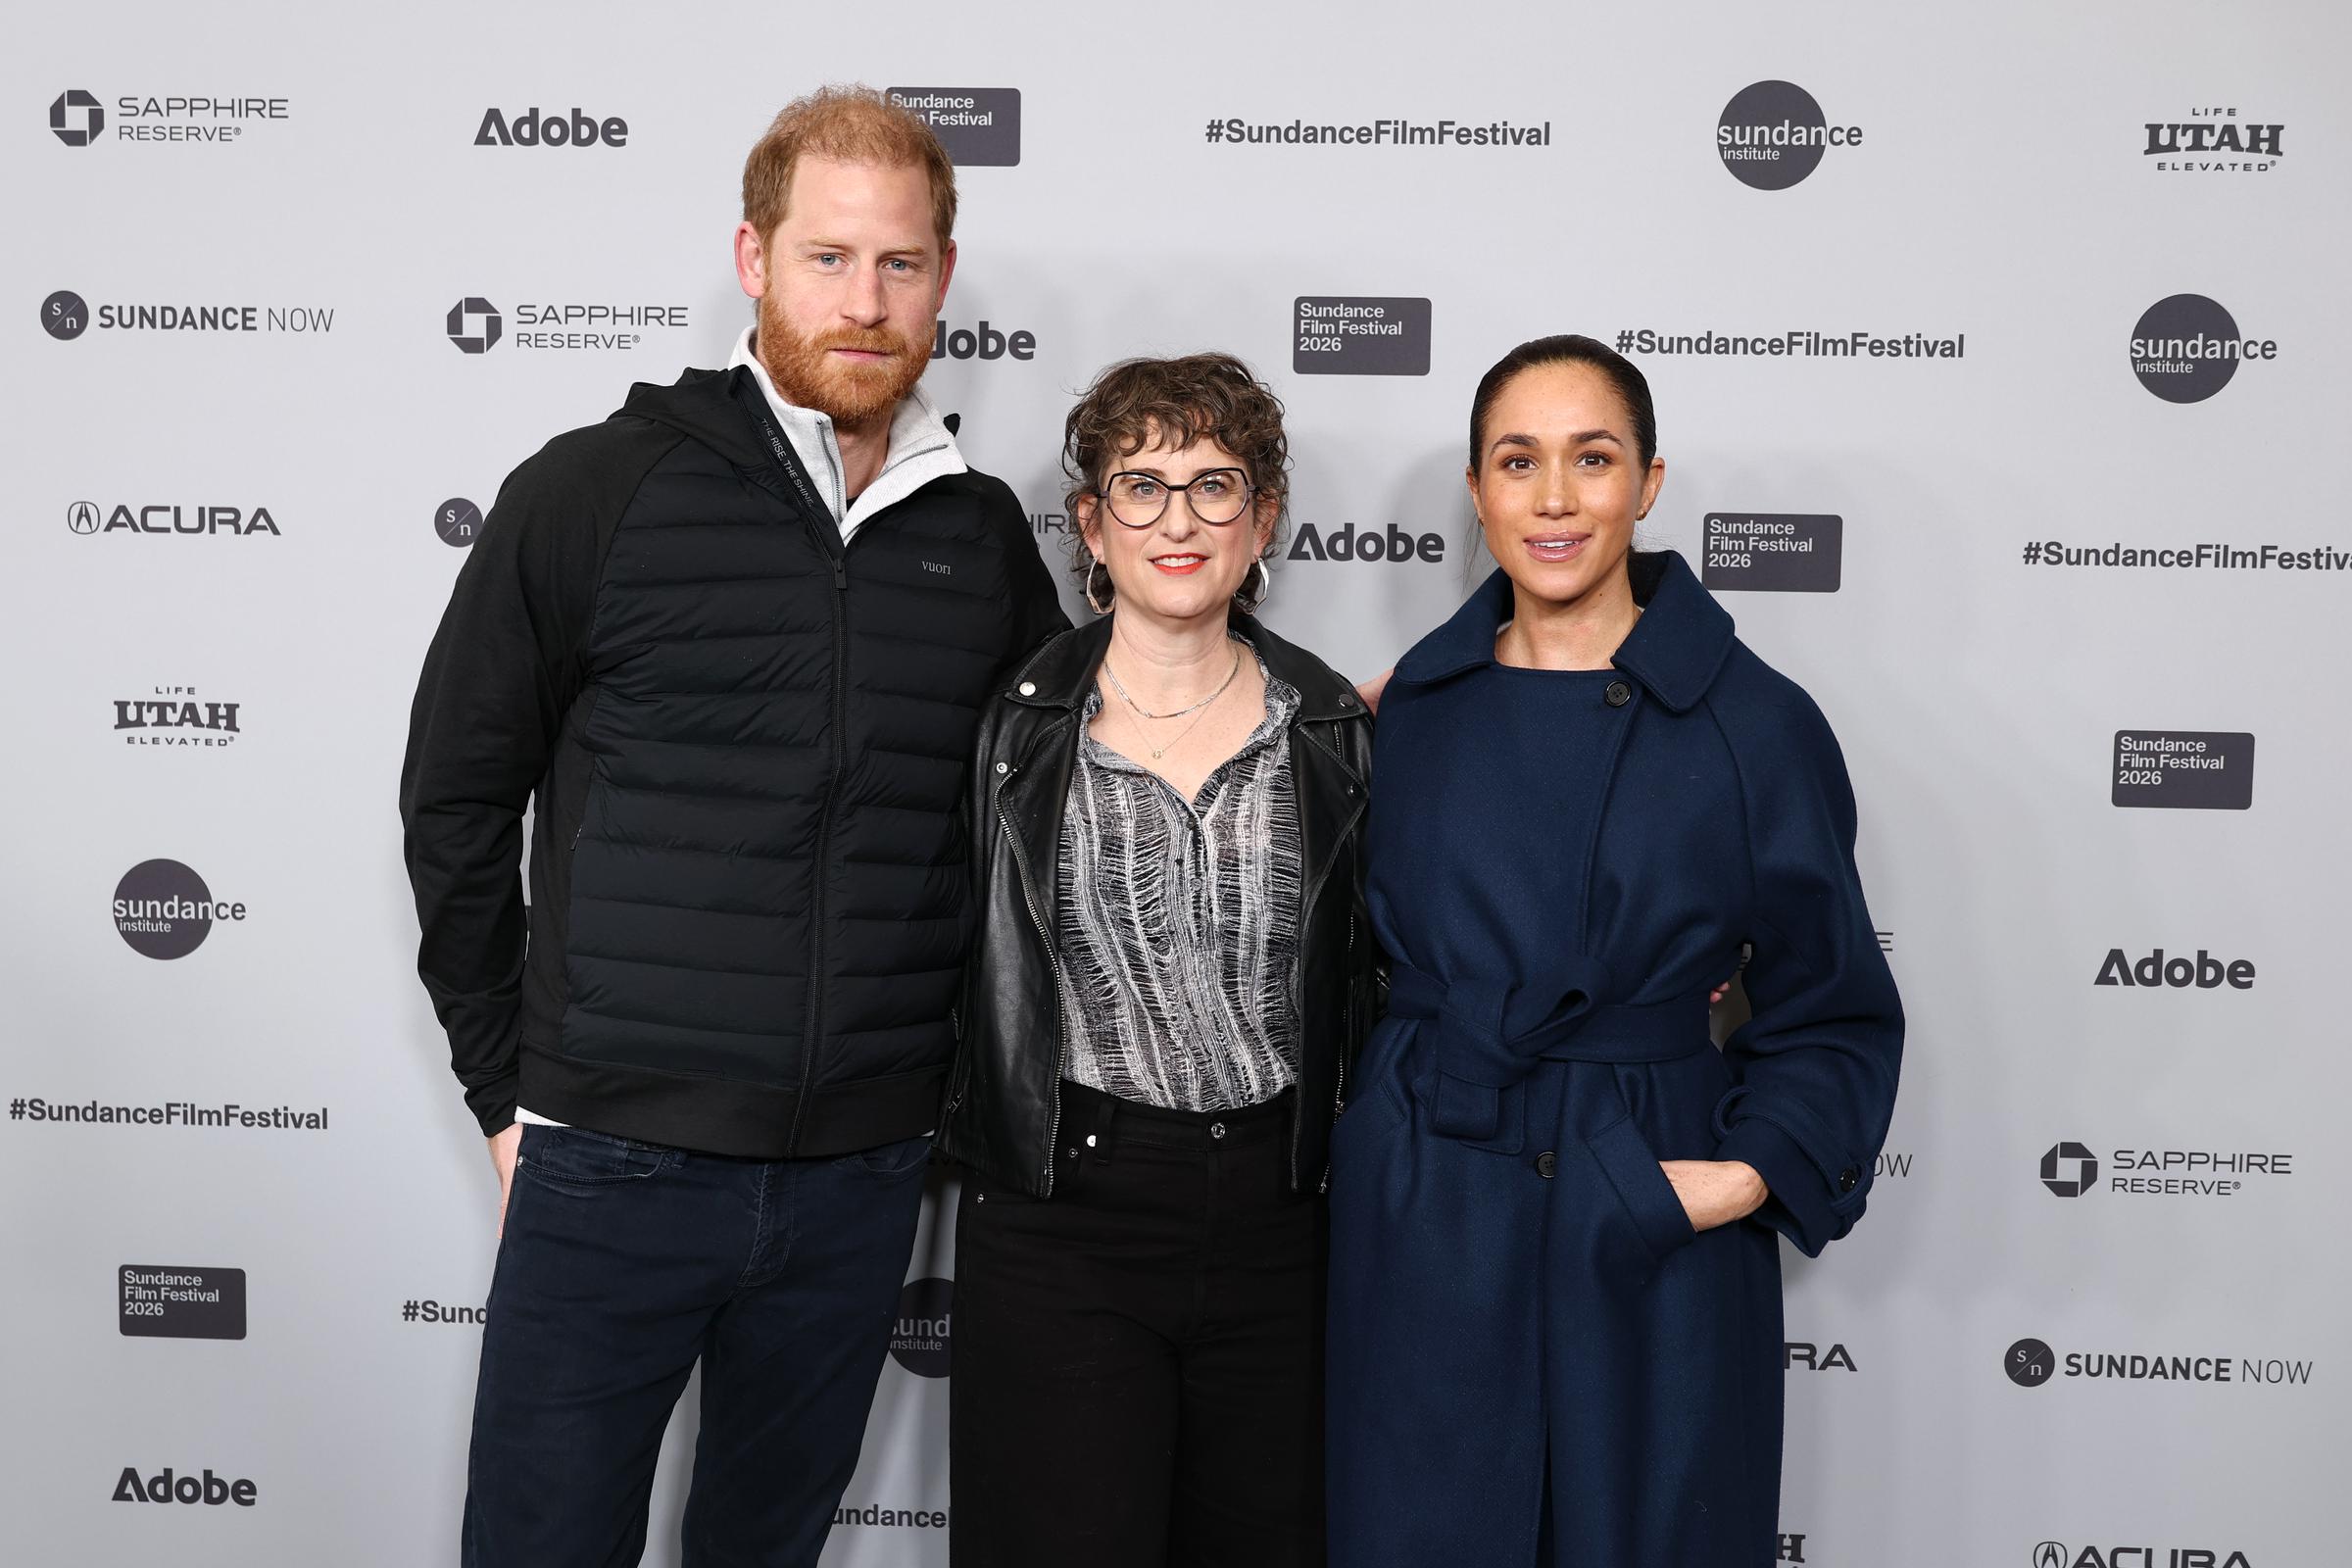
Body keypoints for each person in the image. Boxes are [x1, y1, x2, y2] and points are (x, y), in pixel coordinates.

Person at [398, 86, 1064, 1566]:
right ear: (754, 259)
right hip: (611, 1160)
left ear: (943, 277)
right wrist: (507, 1090)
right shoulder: (594, 491)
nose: (865, 301)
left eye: (899, 263)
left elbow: (1062, 780)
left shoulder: (978, 536)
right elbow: (456, 798)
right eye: (828, 257)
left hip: (861, 1176)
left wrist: (1293, 697)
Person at [1324, 333, 1903, 1566]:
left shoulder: (1754, 722)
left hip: (1643, 1199)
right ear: (1476, 491)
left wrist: (1732, 1181)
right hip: (1432, 1197)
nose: (1553, 498)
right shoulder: (1403, 713)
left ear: (1647, 484)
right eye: (1516, 460)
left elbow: (1835, 1005)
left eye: (1592, 459)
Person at [938, 353, 1377, 1566]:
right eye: (1142, 485)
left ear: (1263, 519)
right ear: (1091, 524)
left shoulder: (1334, 729)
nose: (1178, 520)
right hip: (1063, 1209)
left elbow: (1402, 959)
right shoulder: (1012, 728)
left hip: (1285, 1218)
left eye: (1214, 484)